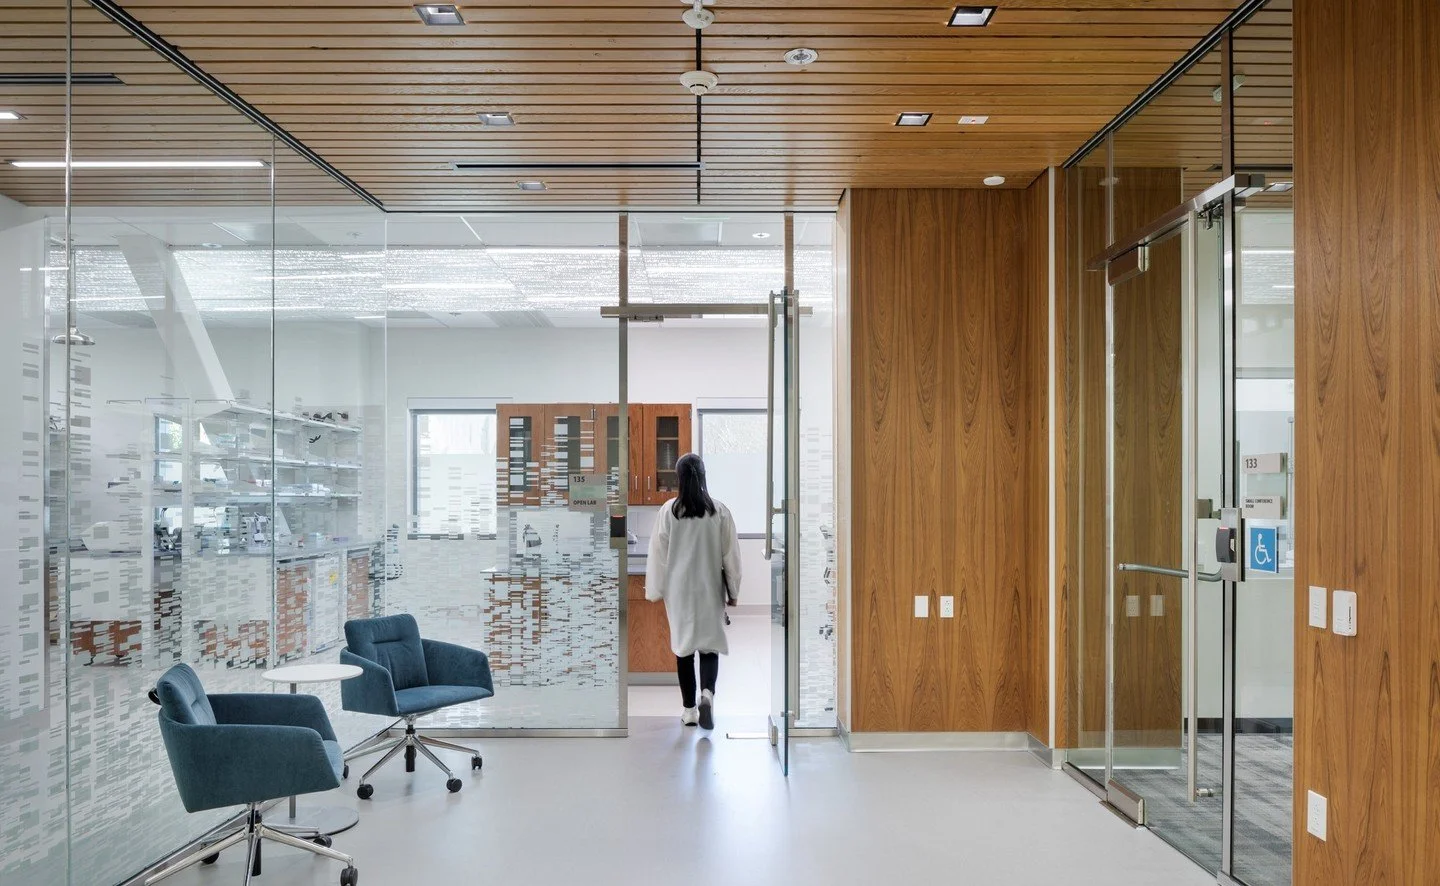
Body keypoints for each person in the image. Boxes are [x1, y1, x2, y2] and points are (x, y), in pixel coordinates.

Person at [645, 453, 740, 730]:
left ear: (679, 478)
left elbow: (658, 555)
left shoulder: (669, 511)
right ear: (704, 476)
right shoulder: (719, 511)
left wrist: (655, 590)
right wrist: (733, 590)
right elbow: (730, 556)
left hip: (679, 592)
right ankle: (707, 695)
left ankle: (689, 711)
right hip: (710, 588)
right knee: (709, 645)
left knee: (684, 649)